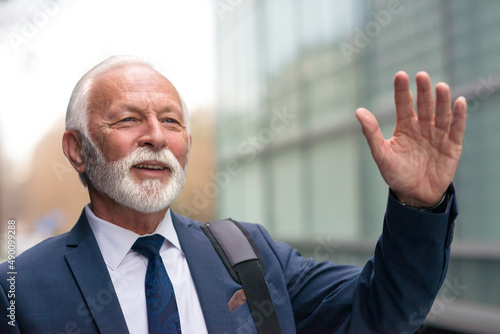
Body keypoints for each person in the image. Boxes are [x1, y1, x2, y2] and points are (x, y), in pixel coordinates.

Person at [0, 56, 467, 334]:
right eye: (128, 120)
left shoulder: (251, 256)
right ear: (77, 149)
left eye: (172, 121)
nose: (156, 137)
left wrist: (418, 206)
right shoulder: (19, 291)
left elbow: (383, 310)